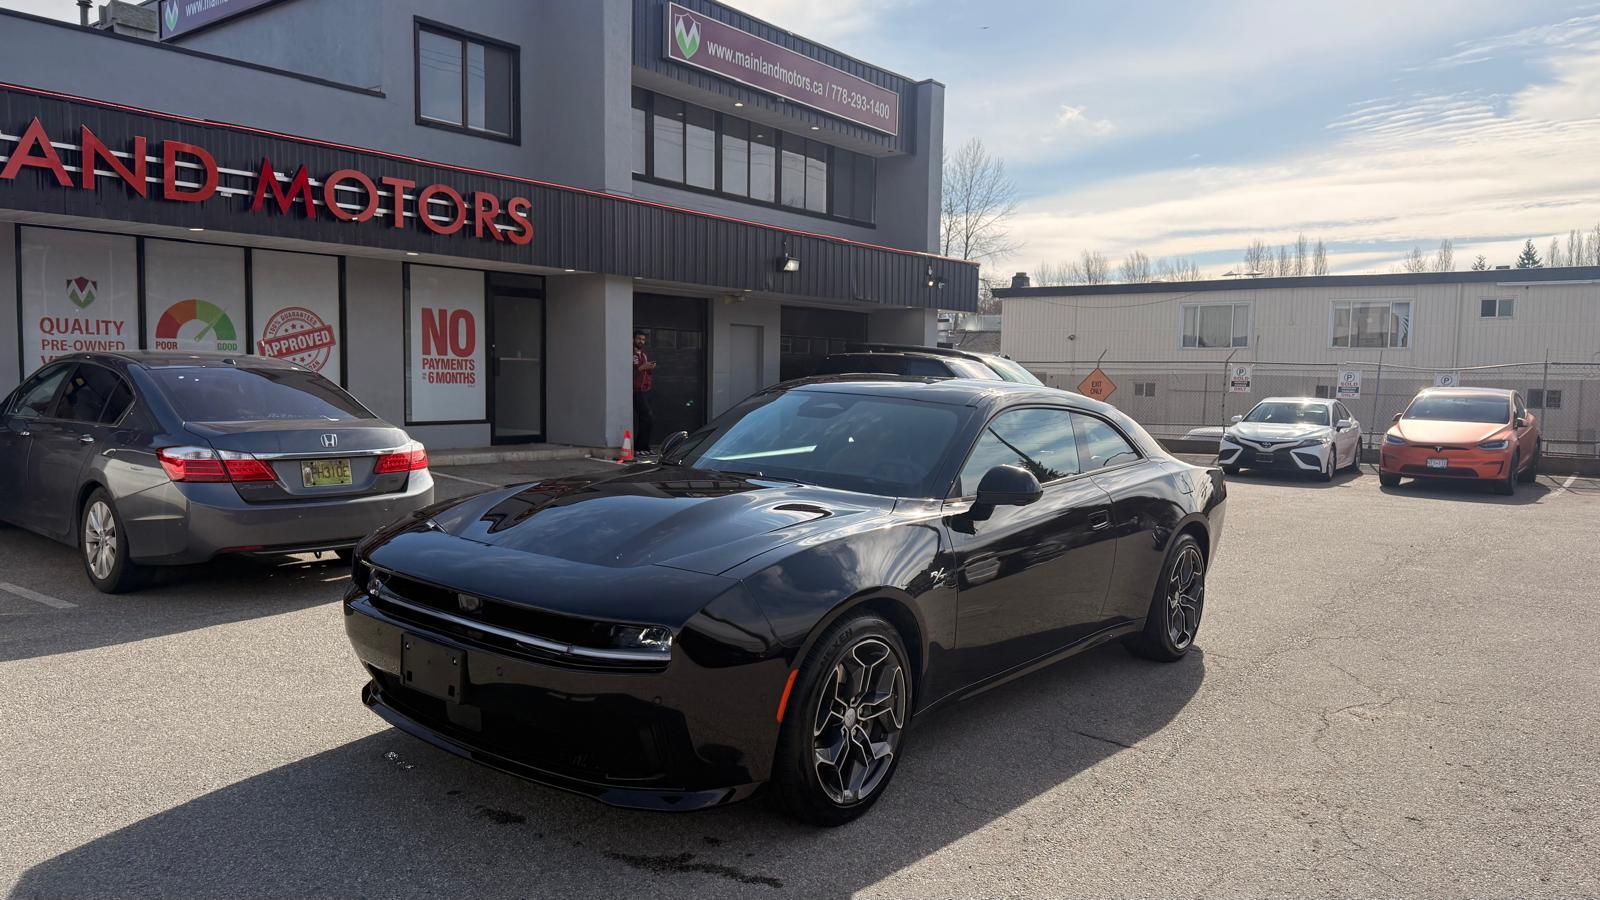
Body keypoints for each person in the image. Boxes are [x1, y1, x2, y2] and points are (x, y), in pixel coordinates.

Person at [632, 330, 657, 454]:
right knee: (647, 417)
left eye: (643, 339)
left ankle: (644, 447)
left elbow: (646, 372)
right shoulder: (630, 353)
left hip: (646, 390)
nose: (641, 341)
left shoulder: (644, 354)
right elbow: (630, 372)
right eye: (638, 339)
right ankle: (640, 448)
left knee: (647, 419)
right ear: (633, 339)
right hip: (636, 391)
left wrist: (650, 368)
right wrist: (643, 367)